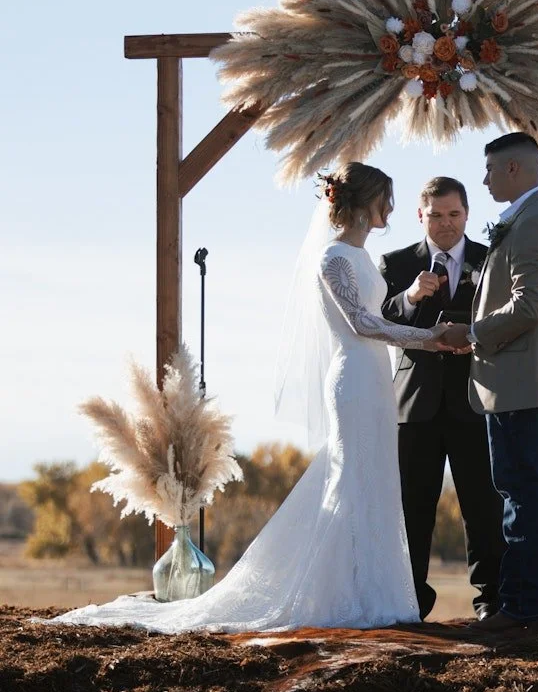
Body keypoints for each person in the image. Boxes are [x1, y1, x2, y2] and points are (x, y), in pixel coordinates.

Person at [46, 164, 449, 634]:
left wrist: (414, 301)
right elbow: (361, 324)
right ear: (363, 201)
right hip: (354, 379)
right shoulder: (333, 259)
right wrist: (429, 337)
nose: (392, 209)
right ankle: (339, 593)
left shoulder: (363, 257)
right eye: (386, 198)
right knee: (351, 477)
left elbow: (376, 314)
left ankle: (371, 591)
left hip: (378, 379)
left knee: (376, 478)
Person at [439, 132, 538, 632]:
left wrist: (471, 332)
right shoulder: (530, 217)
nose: (484, 179)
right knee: (532, 488)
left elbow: (528, 305)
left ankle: (523, 607)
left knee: (522, 491)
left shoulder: (535, 221)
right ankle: (534, 604)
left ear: (514, 169)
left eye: (491, 170)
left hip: (520, 378)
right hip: (518, 378)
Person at [378, 176, 504, 620]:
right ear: (420, 216)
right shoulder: (394, 263)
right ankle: (409, 600)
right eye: (435, 215)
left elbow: (507, 321)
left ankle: (492, 599)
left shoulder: (490, 260)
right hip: (415, 402)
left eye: (453, 215)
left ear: (467, 214)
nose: (445, 224)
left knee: (483, 505)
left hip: (476, 398)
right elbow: (377, 321)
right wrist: (412, 296)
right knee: (412, 508)